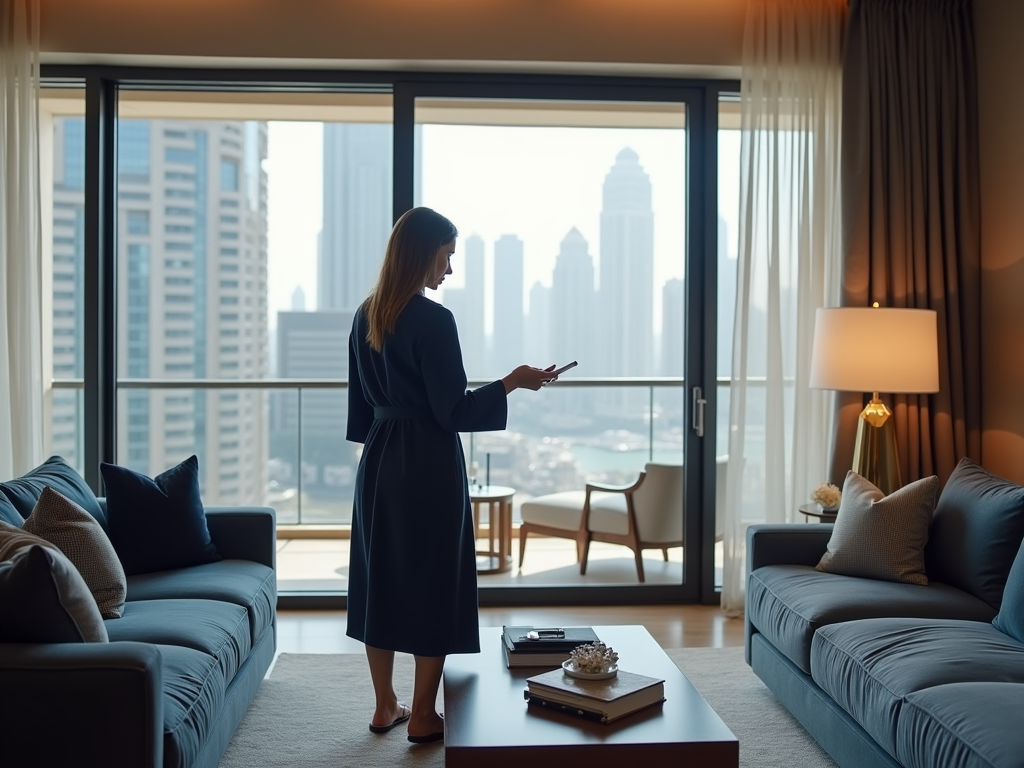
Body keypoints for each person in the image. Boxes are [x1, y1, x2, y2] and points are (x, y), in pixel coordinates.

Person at [346, 206, 556, 743]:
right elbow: (453, 413)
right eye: (447, 256)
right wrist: (513, 381)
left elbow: (359, 411)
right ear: (425, 253)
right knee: (433, 584)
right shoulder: (435, 319)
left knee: (382, 583)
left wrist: (381, 448)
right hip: (428, 465)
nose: (450, 270)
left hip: (378, 463)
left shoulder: (365, 313)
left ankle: (382, 706)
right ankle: (420, 714)